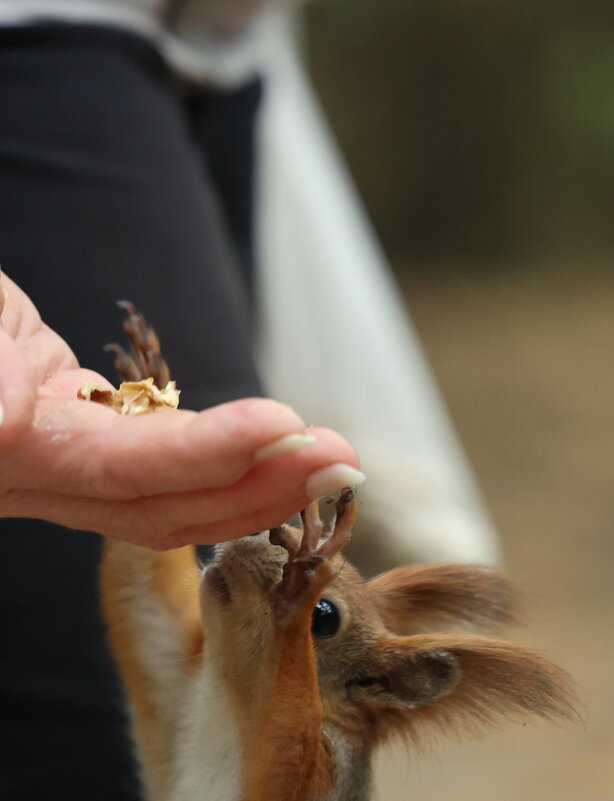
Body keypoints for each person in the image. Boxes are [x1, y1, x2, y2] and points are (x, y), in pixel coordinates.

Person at [0, 1, 498, 798]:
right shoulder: (227, 684)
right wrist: (147, 412)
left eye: (320, 618)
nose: (271, 559)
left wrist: (298, 608)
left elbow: (291, 769)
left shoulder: (313, 735)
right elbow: (145, 593)